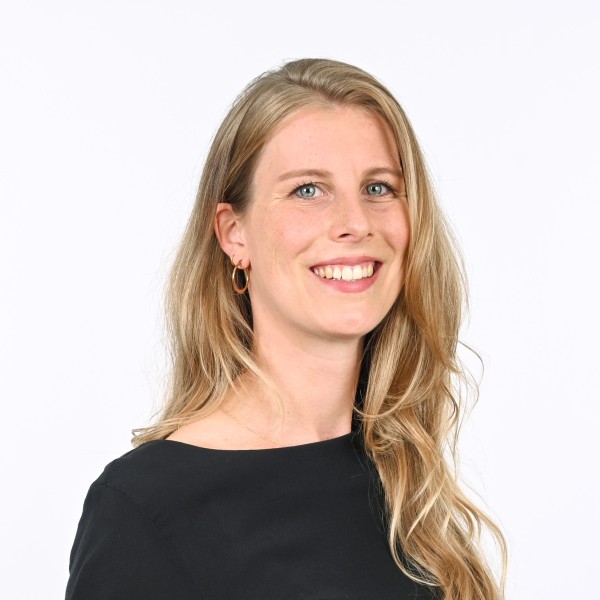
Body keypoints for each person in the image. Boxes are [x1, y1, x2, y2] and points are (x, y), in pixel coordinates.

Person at [66, 58, 506, 600]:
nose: (356, 223)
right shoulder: (144, 507)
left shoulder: (406, 474)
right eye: (308, 190)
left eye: (378, 187)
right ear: (234, 234)